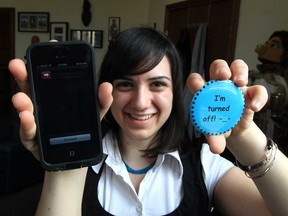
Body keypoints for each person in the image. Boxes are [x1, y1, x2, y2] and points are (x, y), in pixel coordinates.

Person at [8, 27, 288, 216]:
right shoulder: (83, 162)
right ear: (107, 91)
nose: (141, 102)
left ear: (175, 92)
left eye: (157, 84)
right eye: (126, 84)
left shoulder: (205, 165)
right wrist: (64, 168)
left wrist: (244, 136)